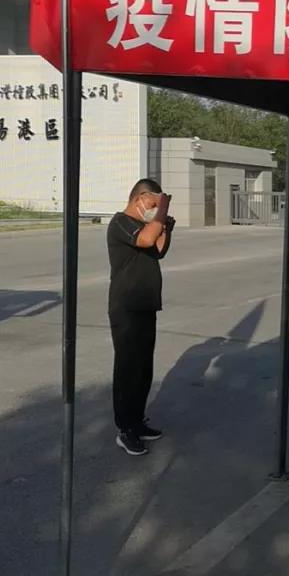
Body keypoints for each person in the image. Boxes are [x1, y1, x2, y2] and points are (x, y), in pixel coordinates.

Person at [107, 179, 175, 456]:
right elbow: (146, 239)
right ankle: (125, 429)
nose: (154, 209)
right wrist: (161, 212)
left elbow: (157, 249)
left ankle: (137, 421)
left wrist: (165, 225)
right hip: (126, 307)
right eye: (153, 203)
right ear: (139, 198)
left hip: (146, 305)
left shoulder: (147, 225)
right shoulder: (121, 222)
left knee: (144, 369)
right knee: (127, 368)